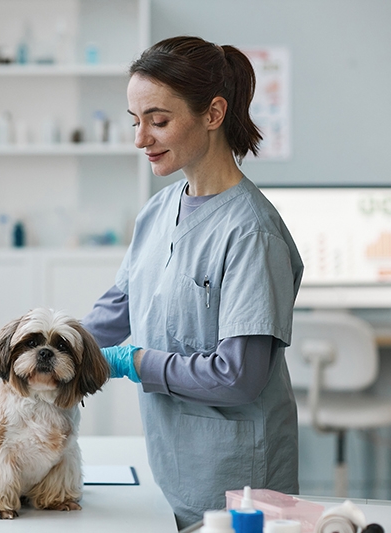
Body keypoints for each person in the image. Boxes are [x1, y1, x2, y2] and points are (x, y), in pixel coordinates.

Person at [82, 36, 304, 529]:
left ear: (213, 113)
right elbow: (115, 311)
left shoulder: (251, 232)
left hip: (240, 488)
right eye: (135, 121)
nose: (141, 139)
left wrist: (134, 362)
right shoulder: (159, 211)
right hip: (172, 473)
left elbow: (238, 375)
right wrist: (43, 351)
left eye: (158, 121)